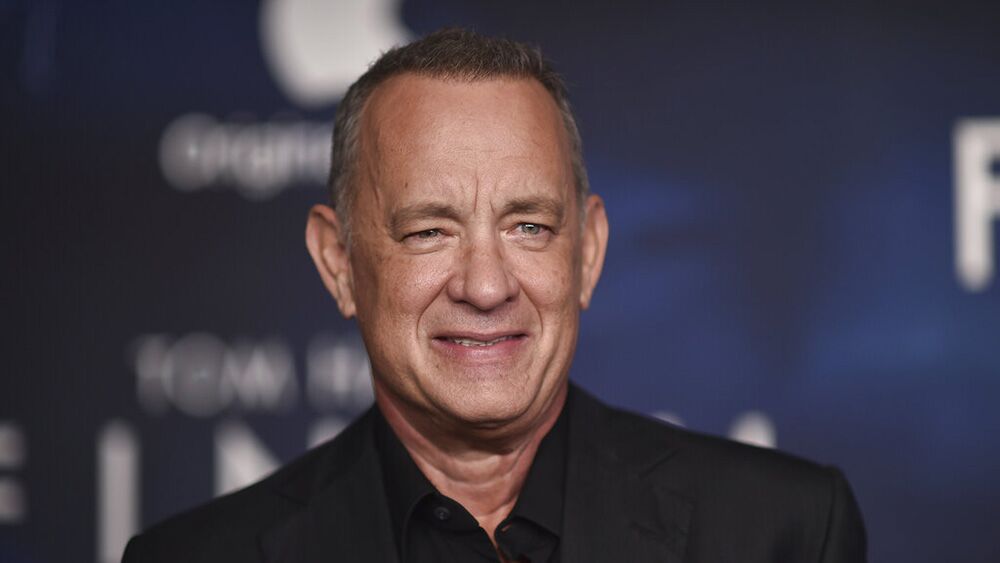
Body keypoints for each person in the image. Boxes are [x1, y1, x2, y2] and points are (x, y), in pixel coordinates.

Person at [122, 28, 867, 563]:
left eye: (529, 225)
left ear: (588, 252)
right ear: (340, 262)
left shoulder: (787, 534)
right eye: (429, 231)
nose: (485, 285)